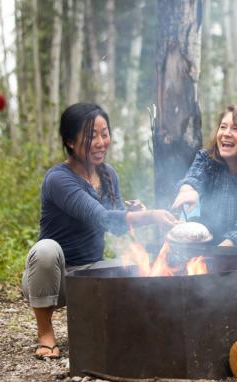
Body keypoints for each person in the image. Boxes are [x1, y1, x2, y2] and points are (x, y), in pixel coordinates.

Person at [23, 102, 179, 359]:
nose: (100, 142)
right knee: (46, 250)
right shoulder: (58, 179)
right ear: (71, 142)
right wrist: (149, 216)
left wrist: (135, 211)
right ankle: (45, 334)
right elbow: (102, 218)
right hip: (54, 276)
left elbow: (117, 228)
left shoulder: (108, 174)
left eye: (104, 134)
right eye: (90, 136)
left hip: (91, 272)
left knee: (136, 267)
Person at [171, 105, 237, 246]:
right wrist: (188, 190)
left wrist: (217, 256)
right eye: (223, 127)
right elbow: (194, 177)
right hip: (211, 234)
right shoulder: (207, 159)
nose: (226, 133)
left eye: (236, 128)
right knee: (189, 227)